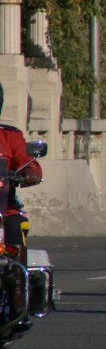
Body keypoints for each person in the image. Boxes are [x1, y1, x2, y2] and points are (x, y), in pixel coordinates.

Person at [0, 89, 43, 324]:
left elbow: (29, 163)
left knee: (17, 225)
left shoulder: (9, 136)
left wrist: (29, 174)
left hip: (4, 207)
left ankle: (18, 290)